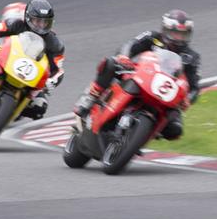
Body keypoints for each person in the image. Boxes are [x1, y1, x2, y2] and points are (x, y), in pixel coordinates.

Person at [74, 9, 201, 140]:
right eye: (175, 33)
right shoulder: (152, 37)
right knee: (110, 63)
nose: (179, 38)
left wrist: (188, 99)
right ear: (165, 29)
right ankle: (91, 96)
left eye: (183, 34)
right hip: (139, 73)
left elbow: (194, 87)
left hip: (164, 92)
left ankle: (144, 134)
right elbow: (131, 44)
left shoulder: (191, 57)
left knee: (175, 130)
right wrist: (124, 56)